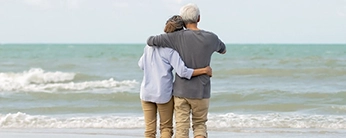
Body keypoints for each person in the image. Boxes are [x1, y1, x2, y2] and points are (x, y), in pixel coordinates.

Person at [146, 3, 226, 138]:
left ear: (183, 20)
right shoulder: (211, 37)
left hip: (181, 91)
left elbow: (150, 40)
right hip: (202, 91)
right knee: (200, 125)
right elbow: (223, 50)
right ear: (199, 18)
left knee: (181, 128)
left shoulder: (175, 37)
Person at [138, 15, 213, 138]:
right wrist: (204, 70)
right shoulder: (171, 50)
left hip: (146, 92)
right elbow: (183, 72)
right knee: (166, 128)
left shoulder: (149, 47)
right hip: (163, 94)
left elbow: (141, 65)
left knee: (149, 131)